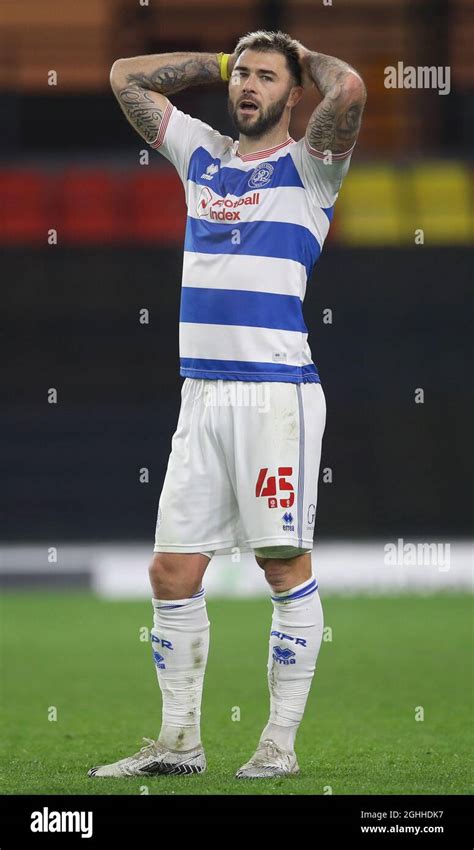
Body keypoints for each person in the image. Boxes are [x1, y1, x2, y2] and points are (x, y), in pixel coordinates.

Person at [88, 29, 366, 780]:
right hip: (201, 395)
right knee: (172, 574)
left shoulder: (311, 168)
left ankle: (278, 744)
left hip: (275, 397)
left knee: (283, 565)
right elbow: (125, 77)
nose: (247, 85)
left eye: (265, 76)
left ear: (292, 91)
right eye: (240, 75)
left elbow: (350, 93)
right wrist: (216, 62)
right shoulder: (202, 153)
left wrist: (304, 60)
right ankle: (179, 744)